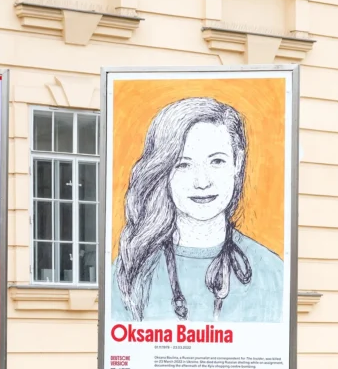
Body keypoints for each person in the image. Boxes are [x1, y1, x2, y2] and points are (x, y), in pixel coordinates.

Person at [114, 97, 284, 324]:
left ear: (238, 163)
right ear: (163, 171)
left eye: (217, 161)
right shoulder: (131, 271)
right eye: (183, 164)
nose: (202, 182)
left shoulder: (272, 272)